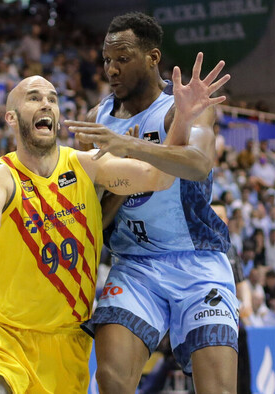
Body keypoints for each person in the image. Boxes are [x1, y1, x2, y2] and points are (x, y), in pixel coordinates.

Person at [0, 70, 205, 393]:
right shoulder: (0, 176)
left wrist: (184, 119)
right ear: (11, 117)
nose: (46, 104)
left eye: (52, 99)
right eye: (34, 97)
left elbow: (158, 178)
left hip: (67, 347)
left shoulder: (87, 165)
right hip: (5, 339)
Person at [65, 13, 236, 393]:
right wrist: (117, 188)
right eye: (107, 60)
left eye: (122, 58)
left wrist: (130, 147)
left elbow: (198, 164)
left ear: (152, 57)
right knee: (111, 378)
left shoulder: (184, 106)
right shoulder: (99, 118)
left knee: (218, 389)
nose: (112, 69)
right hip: (135, 264)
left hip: (197, 262)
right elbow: (97, 211)